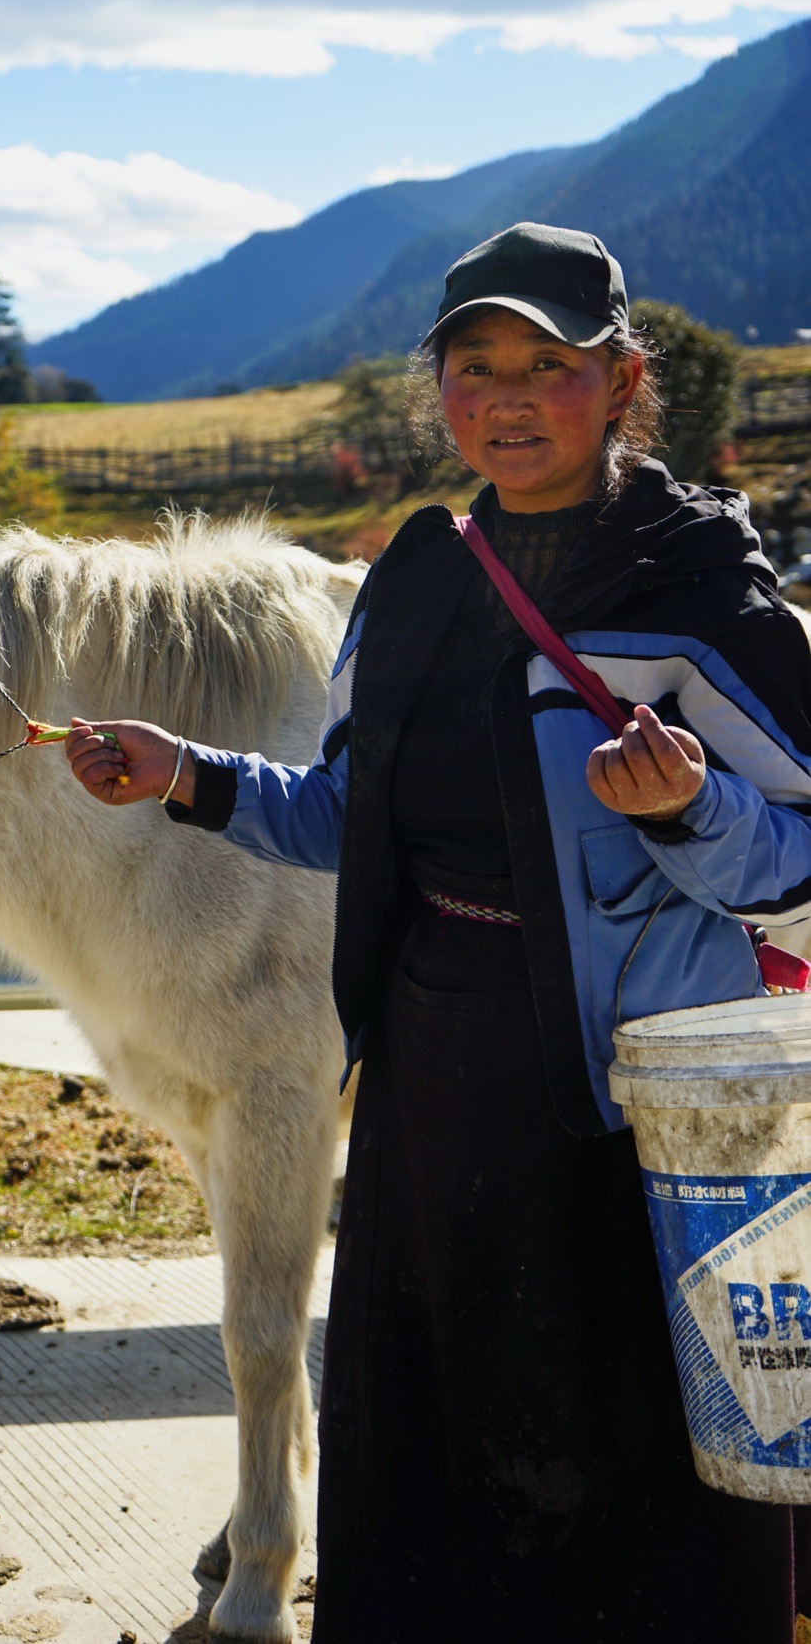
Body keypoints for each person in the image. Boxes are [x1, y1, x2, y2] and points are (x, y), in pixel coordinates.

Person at [65, 221, 811, 1641]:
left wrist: (692, 809)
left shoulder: (699, 590)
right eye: (476, 367)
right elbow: (351, 813)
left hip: (630, 1099)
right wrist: (190, 775)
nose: (509, 397)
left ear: (620, 379)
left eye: (548, 364)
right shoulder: (413, 579)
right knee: (446, 1429)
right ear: (441, 390)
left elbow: (794, 867)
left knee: (627, 1451)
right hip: (431, 1066)